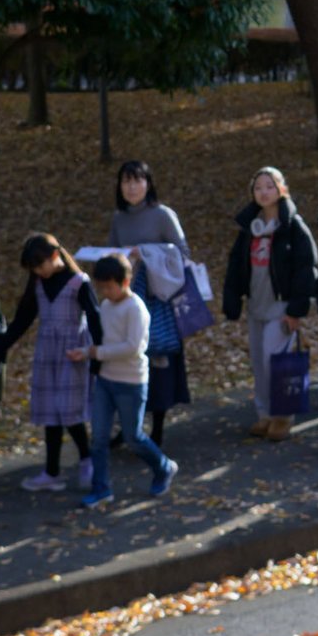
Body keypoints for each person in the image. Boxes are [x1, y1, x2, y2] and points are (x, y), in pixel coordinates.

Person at [0, 233, 100, 490]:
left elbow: (95, 319)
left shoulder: (78, 282)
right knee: (51, 413)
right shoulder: (39, 283)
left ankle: (87, 459)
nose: (38, 272)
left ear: (55, 256)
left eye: (40, 265)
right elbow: (22, 319)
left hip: (73, 354)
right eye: (33, 268)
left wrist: (97, 356)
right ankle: (52, 472)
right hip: (47, 354)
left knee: (69, 411)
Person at [73, 254, 178, 508]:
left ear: (125, 282)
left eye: (110, 287)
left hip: (131, 382)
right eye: (102, 287)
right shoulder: (107, 306)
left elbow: (133, 347)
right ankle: (101, 488)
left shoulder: (136, 309)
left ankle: (163, 466)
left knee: (133, 436)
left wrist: (96, 353)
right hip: (105, 380)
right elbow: (104, 340)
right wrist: (86, 352)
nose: (105, 292)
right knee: (99, 438)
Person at [221, 166, 317, 440]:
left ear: (282, 190)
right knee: (259, 363)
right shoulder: (250, 228)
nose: (264, 192)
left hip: (281, 308)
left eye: (269, 186)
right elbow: (236, 265)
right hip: (256, 306)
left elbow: (306, 269)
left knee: (275, 360)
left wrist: (296, 310)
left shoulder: (293, 227)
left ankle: (282, 416)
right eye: (258, 187)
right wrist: (232, 300)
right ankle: (264, 415)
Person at [108, 160, 195, 445]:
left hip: (158, 301)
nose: (132, 187)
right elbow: (111, 254)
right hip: (126, 300)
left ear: (148, 183)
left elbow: (183, 253)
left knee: (159, 363)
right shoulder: (118, 219)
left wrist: (145, 253)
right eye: (126, 181)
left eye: (138, 180)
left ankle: (157, 428)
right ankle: (128, 426)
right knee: (125, 363)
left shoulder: (162, 215)